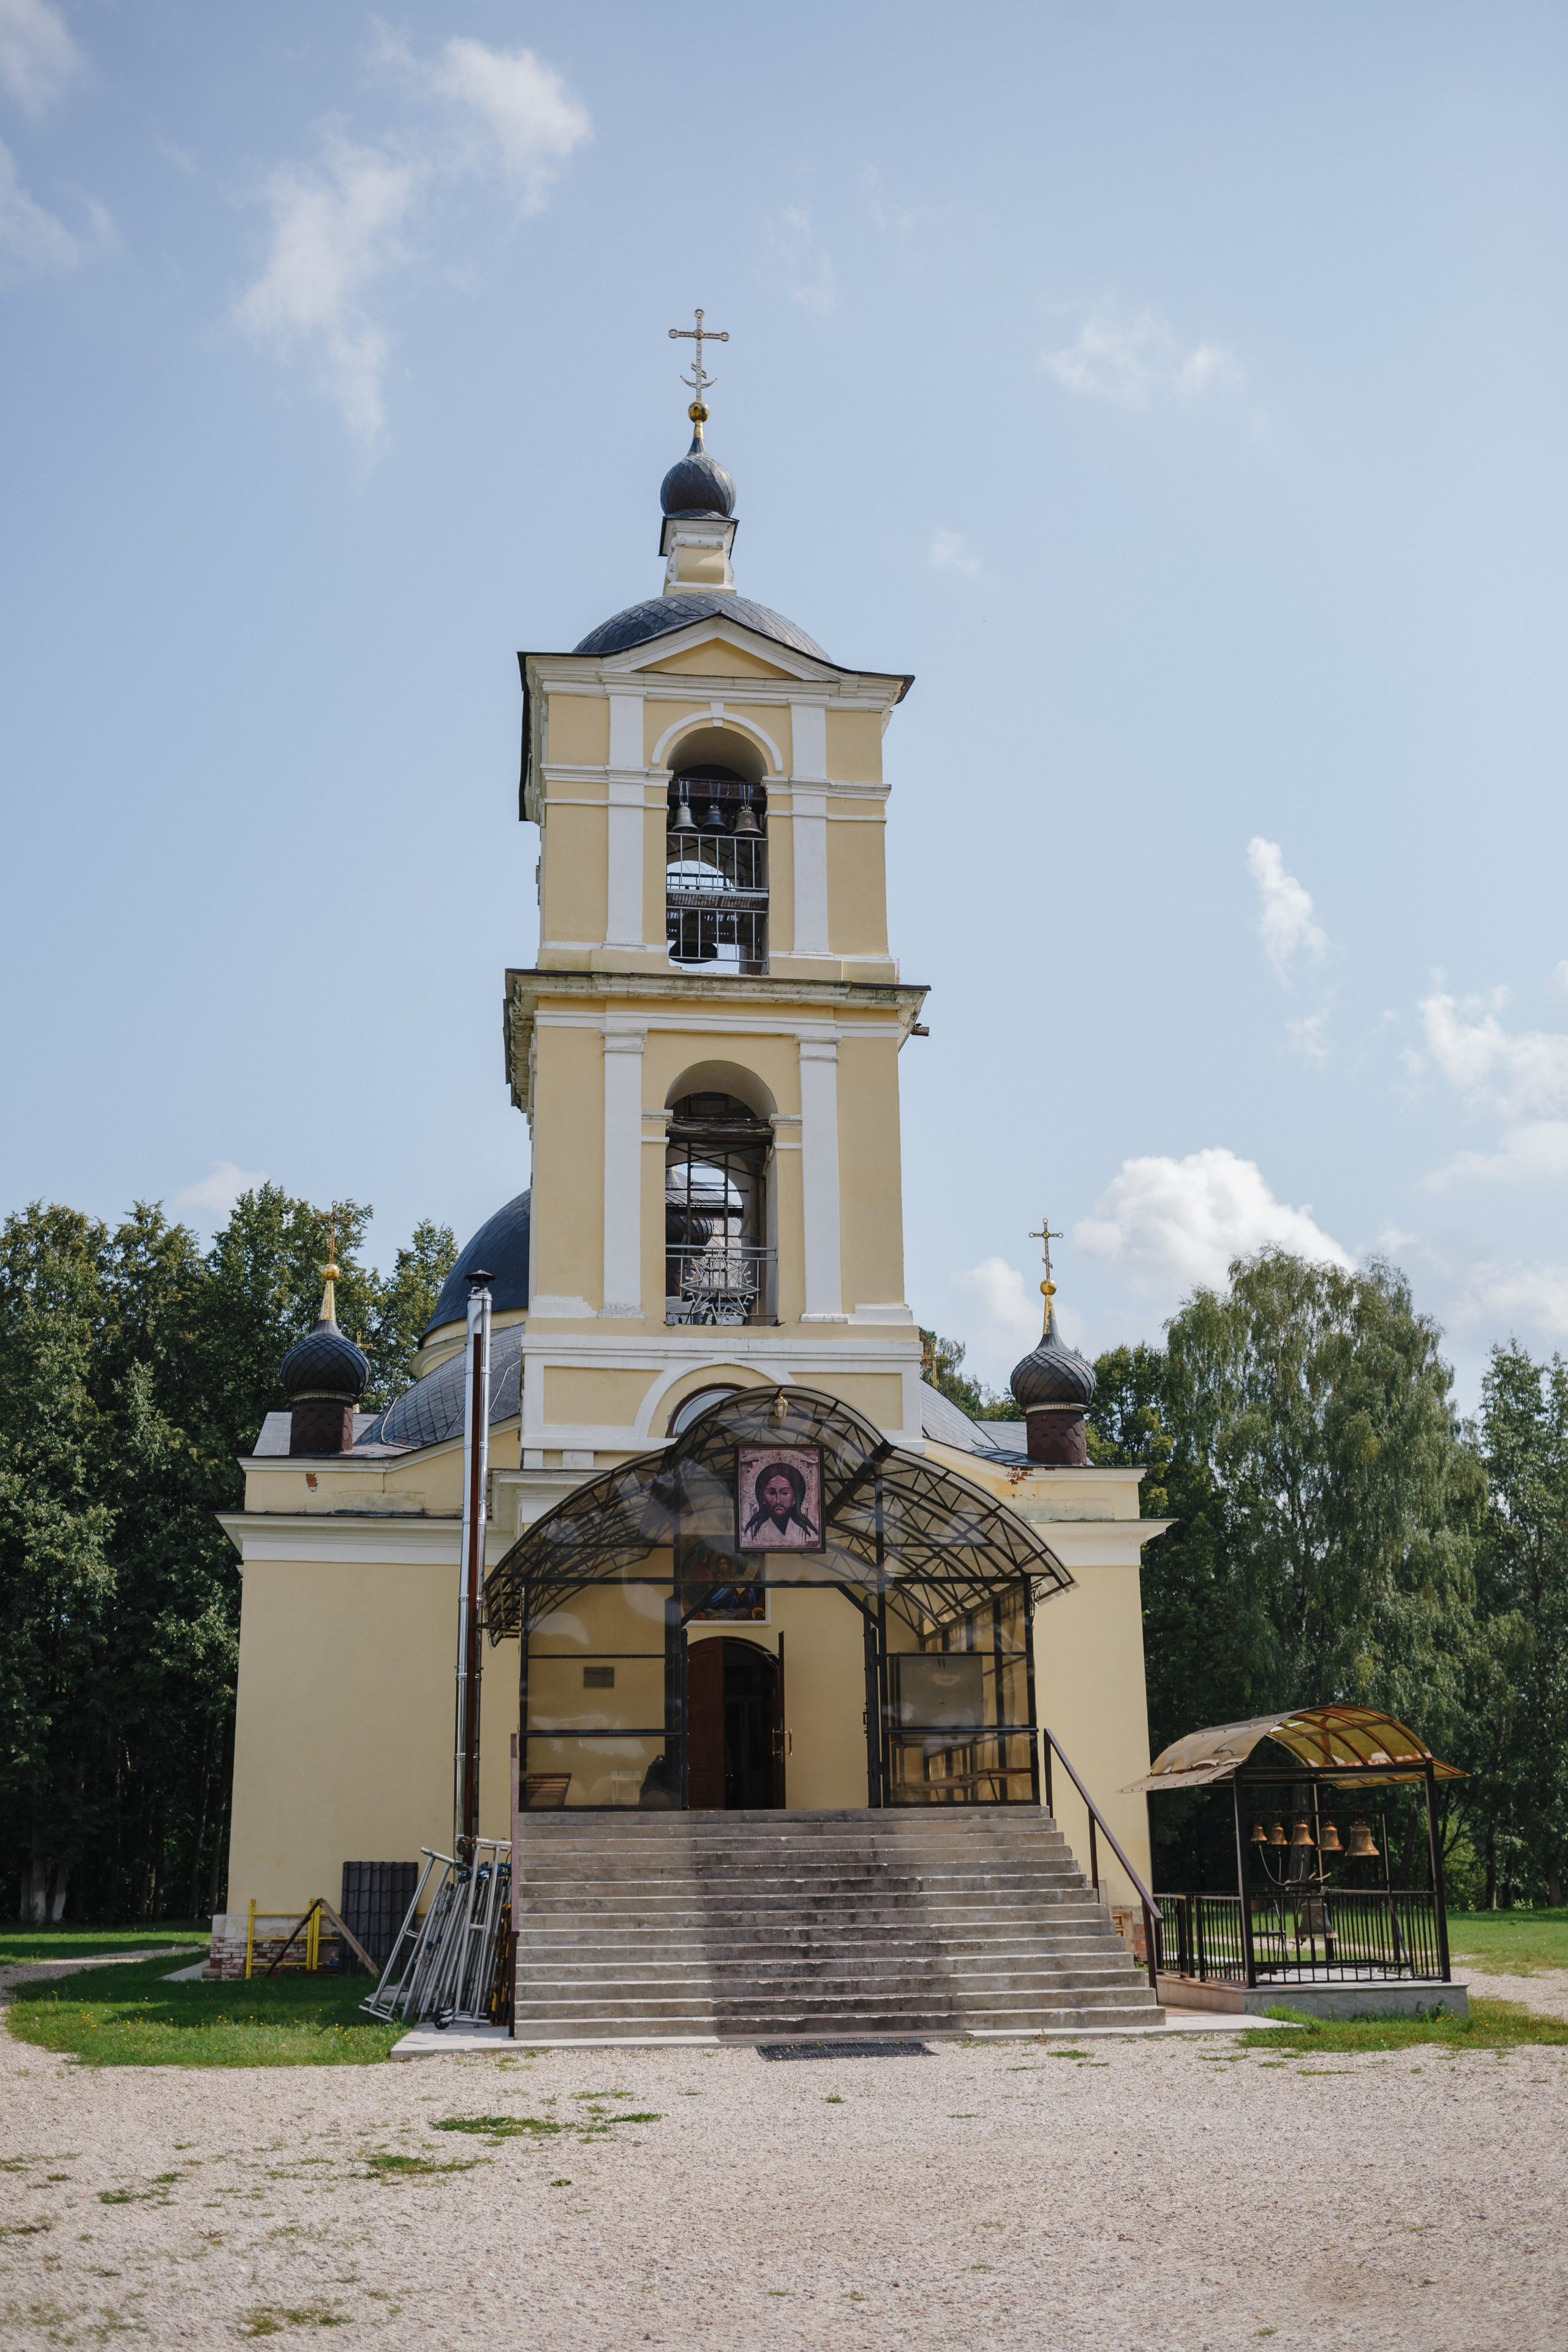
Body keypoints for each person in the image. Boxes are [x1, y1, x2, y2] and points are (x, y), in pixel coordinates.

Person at [744, 1458, 818, 1546]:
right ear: (762, 1499)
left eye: (784, 1493)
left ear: (795, 1499)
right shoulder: (759, 1533)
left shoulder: (802, 1533)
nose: (778, 1500)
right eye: (772, 1493)